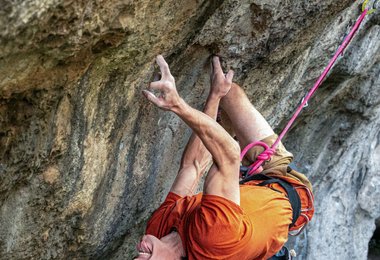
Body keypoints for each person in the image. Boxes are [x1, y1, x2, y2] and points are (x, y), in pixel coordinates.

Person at [136, 55, 313, 260]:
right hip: (287, 188)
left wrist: (215, 95)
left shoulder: (158, 228)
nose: (137, 254)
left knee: (226, 94)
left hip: (246, 189)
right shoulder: (211, 239)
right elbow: (230, 155)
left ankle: (225, 180)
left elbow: (192, 167)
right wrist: (177, 105)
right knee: (233, 99)